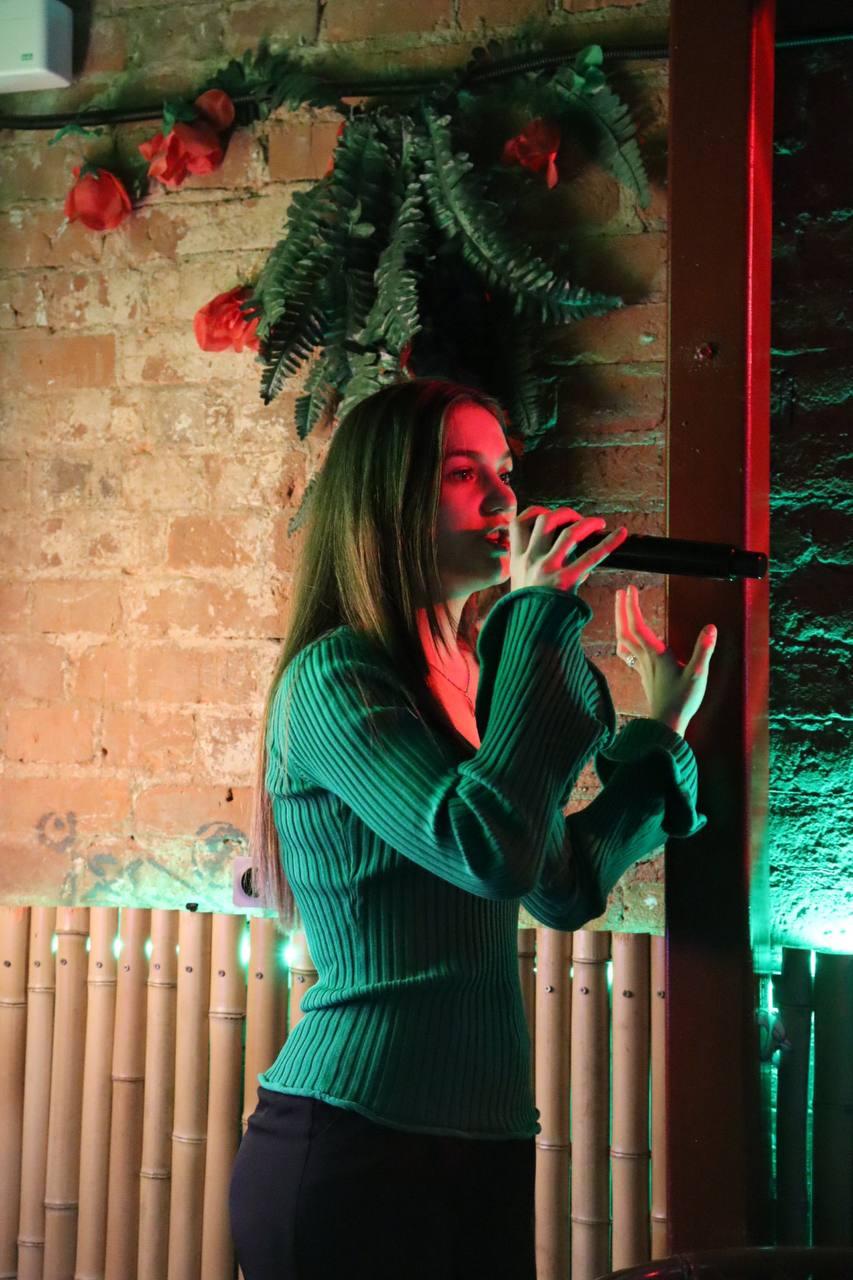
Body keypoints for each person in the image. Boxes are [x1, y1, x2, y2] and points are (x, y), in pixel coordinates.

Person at [229, 378, 717, 1279]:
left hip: (483, 1134)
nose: (503, 500)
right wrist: (537, 615)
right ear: (387, 501)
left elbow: (559, 883)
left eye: (504, 471)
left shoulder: (471, 676)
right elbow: (483, 848)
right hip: (353, 1136)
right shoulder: (335, 679)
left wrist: (660, 732)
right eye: (463, 474)